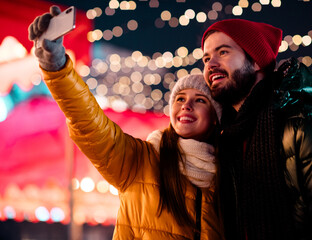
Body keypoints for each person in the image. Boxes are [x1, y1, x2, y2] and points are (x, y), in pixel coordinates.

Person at [28, 6, 225, 240]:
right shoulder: (142, 161)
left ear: (215, 116)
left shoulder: (229, 173)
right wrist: (58, 68)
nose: (186, 105)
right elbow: (90, 123)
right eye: (180, 99)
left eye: (199, 100)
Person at [201, 19, 312, 239]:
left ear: (256, 61)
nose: (211, 64)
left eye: (223, 52)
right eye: (206, 58)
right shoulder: (225, 139)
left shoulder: (311, 124)